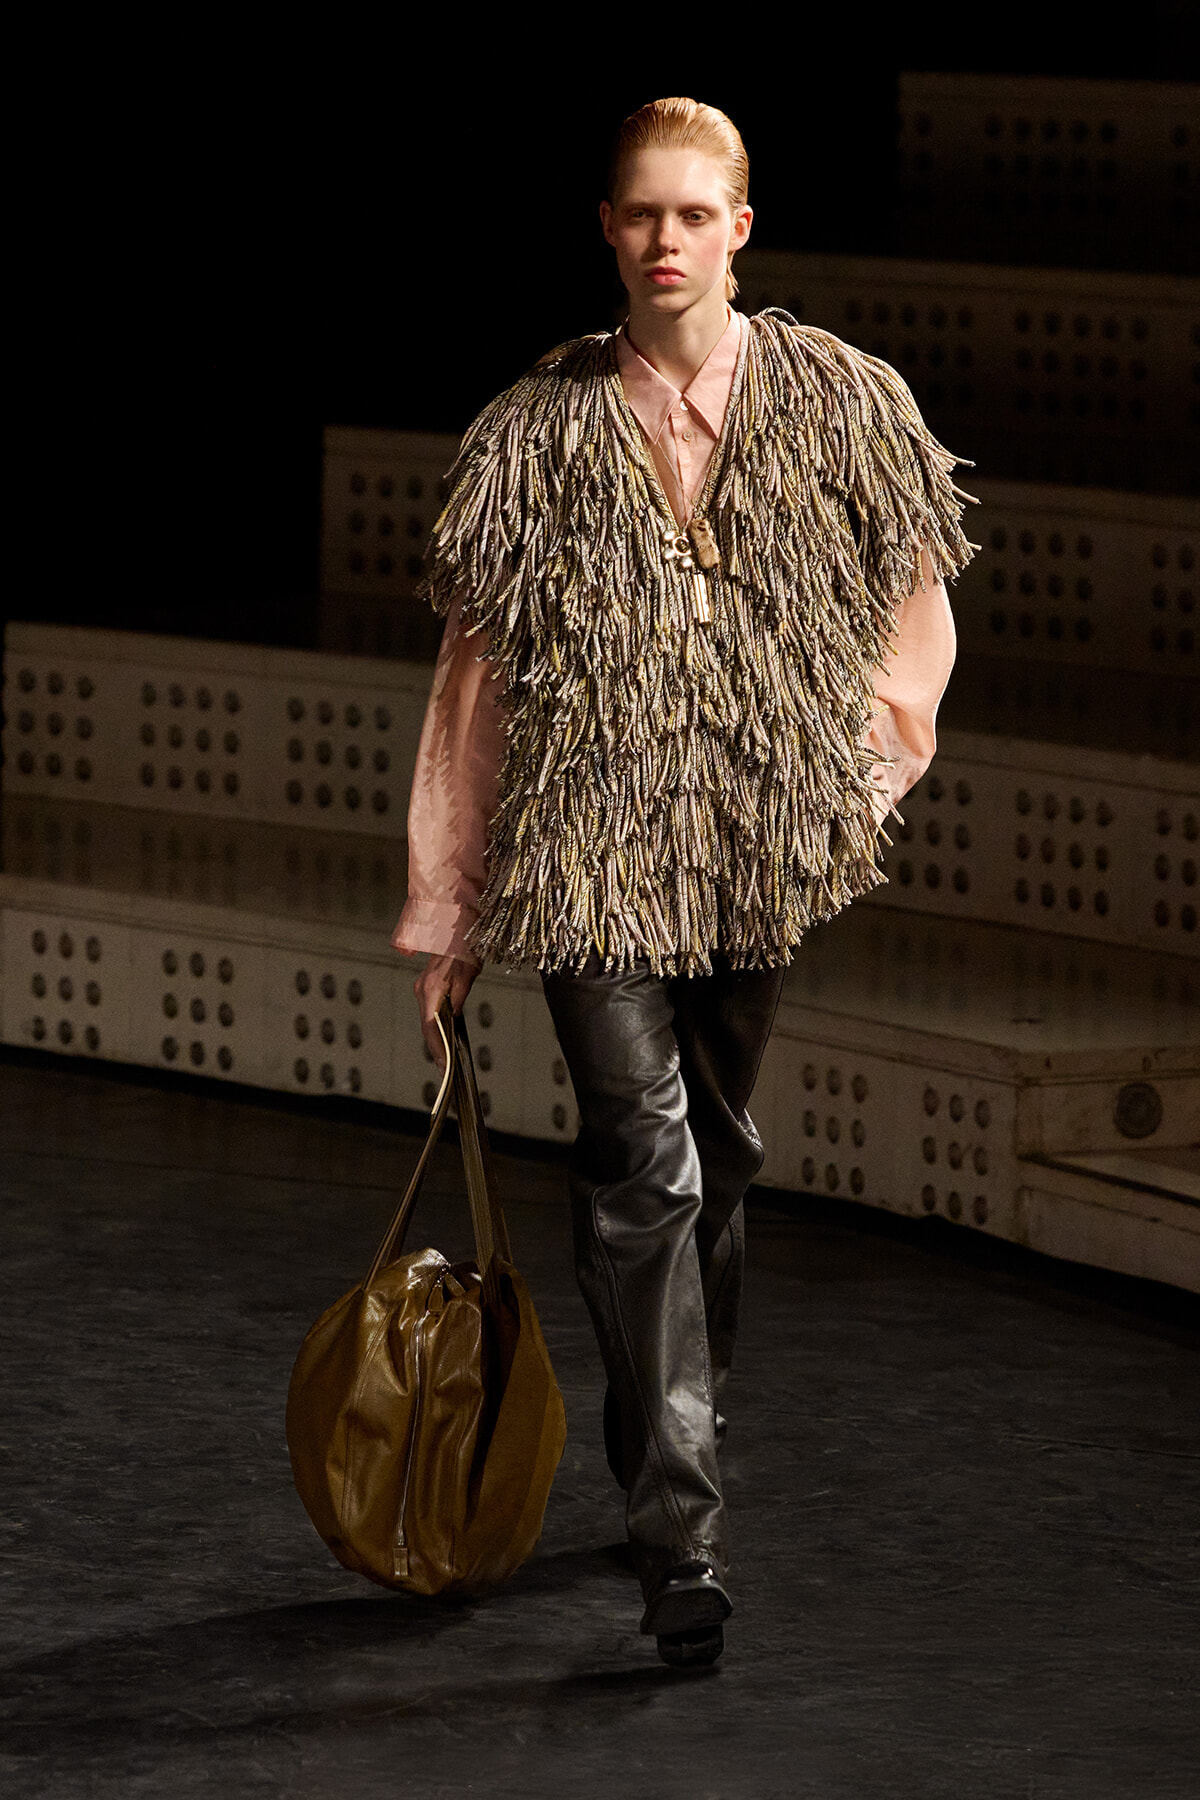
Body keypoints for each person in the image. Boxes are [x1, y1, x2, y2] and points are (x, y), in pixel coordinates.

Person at [392, 97, 973, 1669]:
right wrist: (446, 914)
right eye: (639, 215)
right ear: (606, 230)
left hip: (751, 856)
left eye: (693, 215)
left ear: (739, 229)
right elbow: (473, 693)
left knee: (717, 1155)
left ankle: (668, 1436)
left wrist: (848, 781)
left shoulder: (845, 403)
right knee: (641, 1165)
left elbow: (912, 619)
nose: (665, 241)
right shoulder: (534, 430)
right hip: (586, 854)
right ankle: (679, 1533)